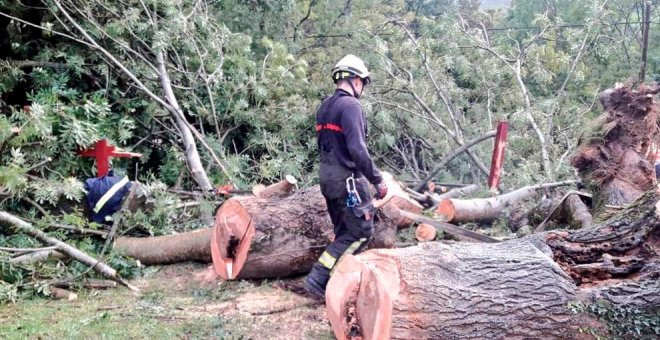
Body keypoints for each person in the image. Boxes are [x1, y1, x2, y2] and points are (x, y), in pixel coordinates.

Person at [304, 54, 388, 299]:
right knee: (360, 232)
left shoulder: (325, 106)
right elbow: (357, 149)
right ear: (354, 80)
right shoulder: (351, 106)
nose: (362, 87)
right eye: (362, 81)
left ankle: (336, 283)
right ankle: (319, 278)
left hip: (327, 179)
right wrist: (377, 179)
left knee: (343, 234)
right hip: (348, 182)